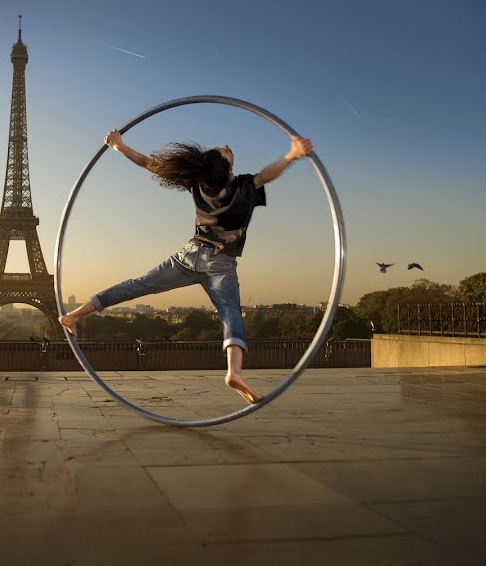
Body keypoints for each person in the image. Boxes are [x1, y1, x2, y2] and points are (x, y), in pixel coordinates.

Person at [59, 130, 313, 404]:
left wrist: (120, 147)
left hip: (190, 255)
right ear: (227, 166)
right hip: (221, 263)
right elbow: (267, 174)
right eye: (226, 151)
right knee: (230, 312)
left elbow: (150, 164)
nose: (228, 146)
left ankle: (75, 314)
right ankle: (234, 371)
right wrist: (292, 155)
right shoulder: (244, 186)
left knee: (138, 285)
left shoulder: (198, 183)